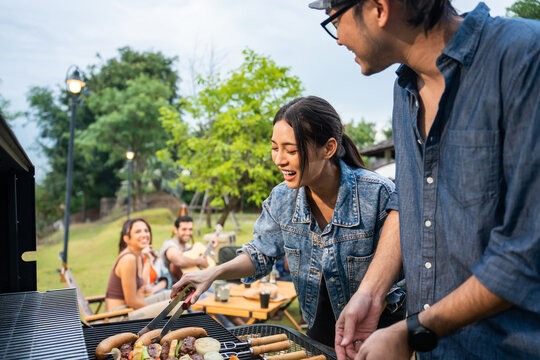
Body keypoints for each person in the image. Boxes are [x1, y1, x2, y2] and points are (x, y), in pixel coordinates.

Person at [309, 0, 540, 358]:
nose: (337, 39)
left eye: (335, 20)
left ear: (378, 9)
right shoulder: (405, 90)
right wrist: (371, 291)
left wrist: (413, 330)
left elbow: (528, 250)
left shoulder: (525, 56)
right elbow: (410, 201)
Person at [172, 96, 405, 347]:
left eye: (291, 150)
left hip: (377, 338)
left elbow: (403, 274)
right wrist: (214, 272)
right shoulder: (282, 198)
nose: (279, 159)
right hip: (318, 337)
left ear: (328, 148)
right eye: (275, 147)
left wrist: (376, 314)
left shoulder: (378, 193)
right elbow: (260, 253)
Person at [105, 218, 170, 312]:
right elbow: (132, 301)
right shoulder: (128, 259)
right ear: (126, 239)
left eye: (146, 230)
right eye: (138, 232)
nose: (144, 235)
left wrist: (147, 259)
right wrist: (155, 310)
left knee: (171, 295)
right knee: (176, 307)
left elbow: (142, 287)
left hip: (130, 309)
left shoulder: (138, 256)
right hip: (119, 315)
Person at [159, 215, 215, 288]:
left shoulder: (189, 247)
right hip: (173, 287)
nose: (188, 233)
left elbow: (208, 262)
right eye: (184, 229)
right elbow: (178, 260)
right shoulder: (169, 244)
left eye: (190, 229)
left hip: (192, 285)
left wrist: (212, 247)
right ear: (175, 230)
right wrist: (198, 261)